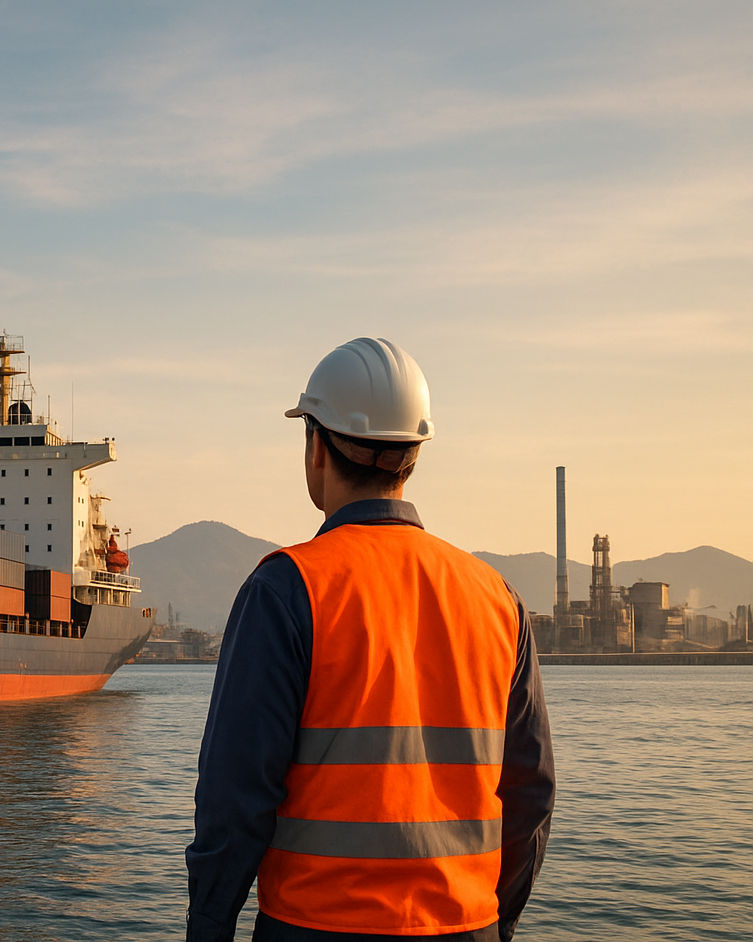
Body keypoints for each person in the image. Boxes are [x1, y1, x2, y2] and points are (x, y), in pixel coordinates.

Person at [186, 337, 554, 942]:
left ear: (315, 447)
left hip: (314, 928)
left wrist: (208, 926)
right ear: (413, 455)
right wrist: (495, 922)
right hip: (467, 927)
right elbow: (531, 792)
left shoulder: (286, 589)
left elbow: (233, 799)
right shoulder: (497, 597)